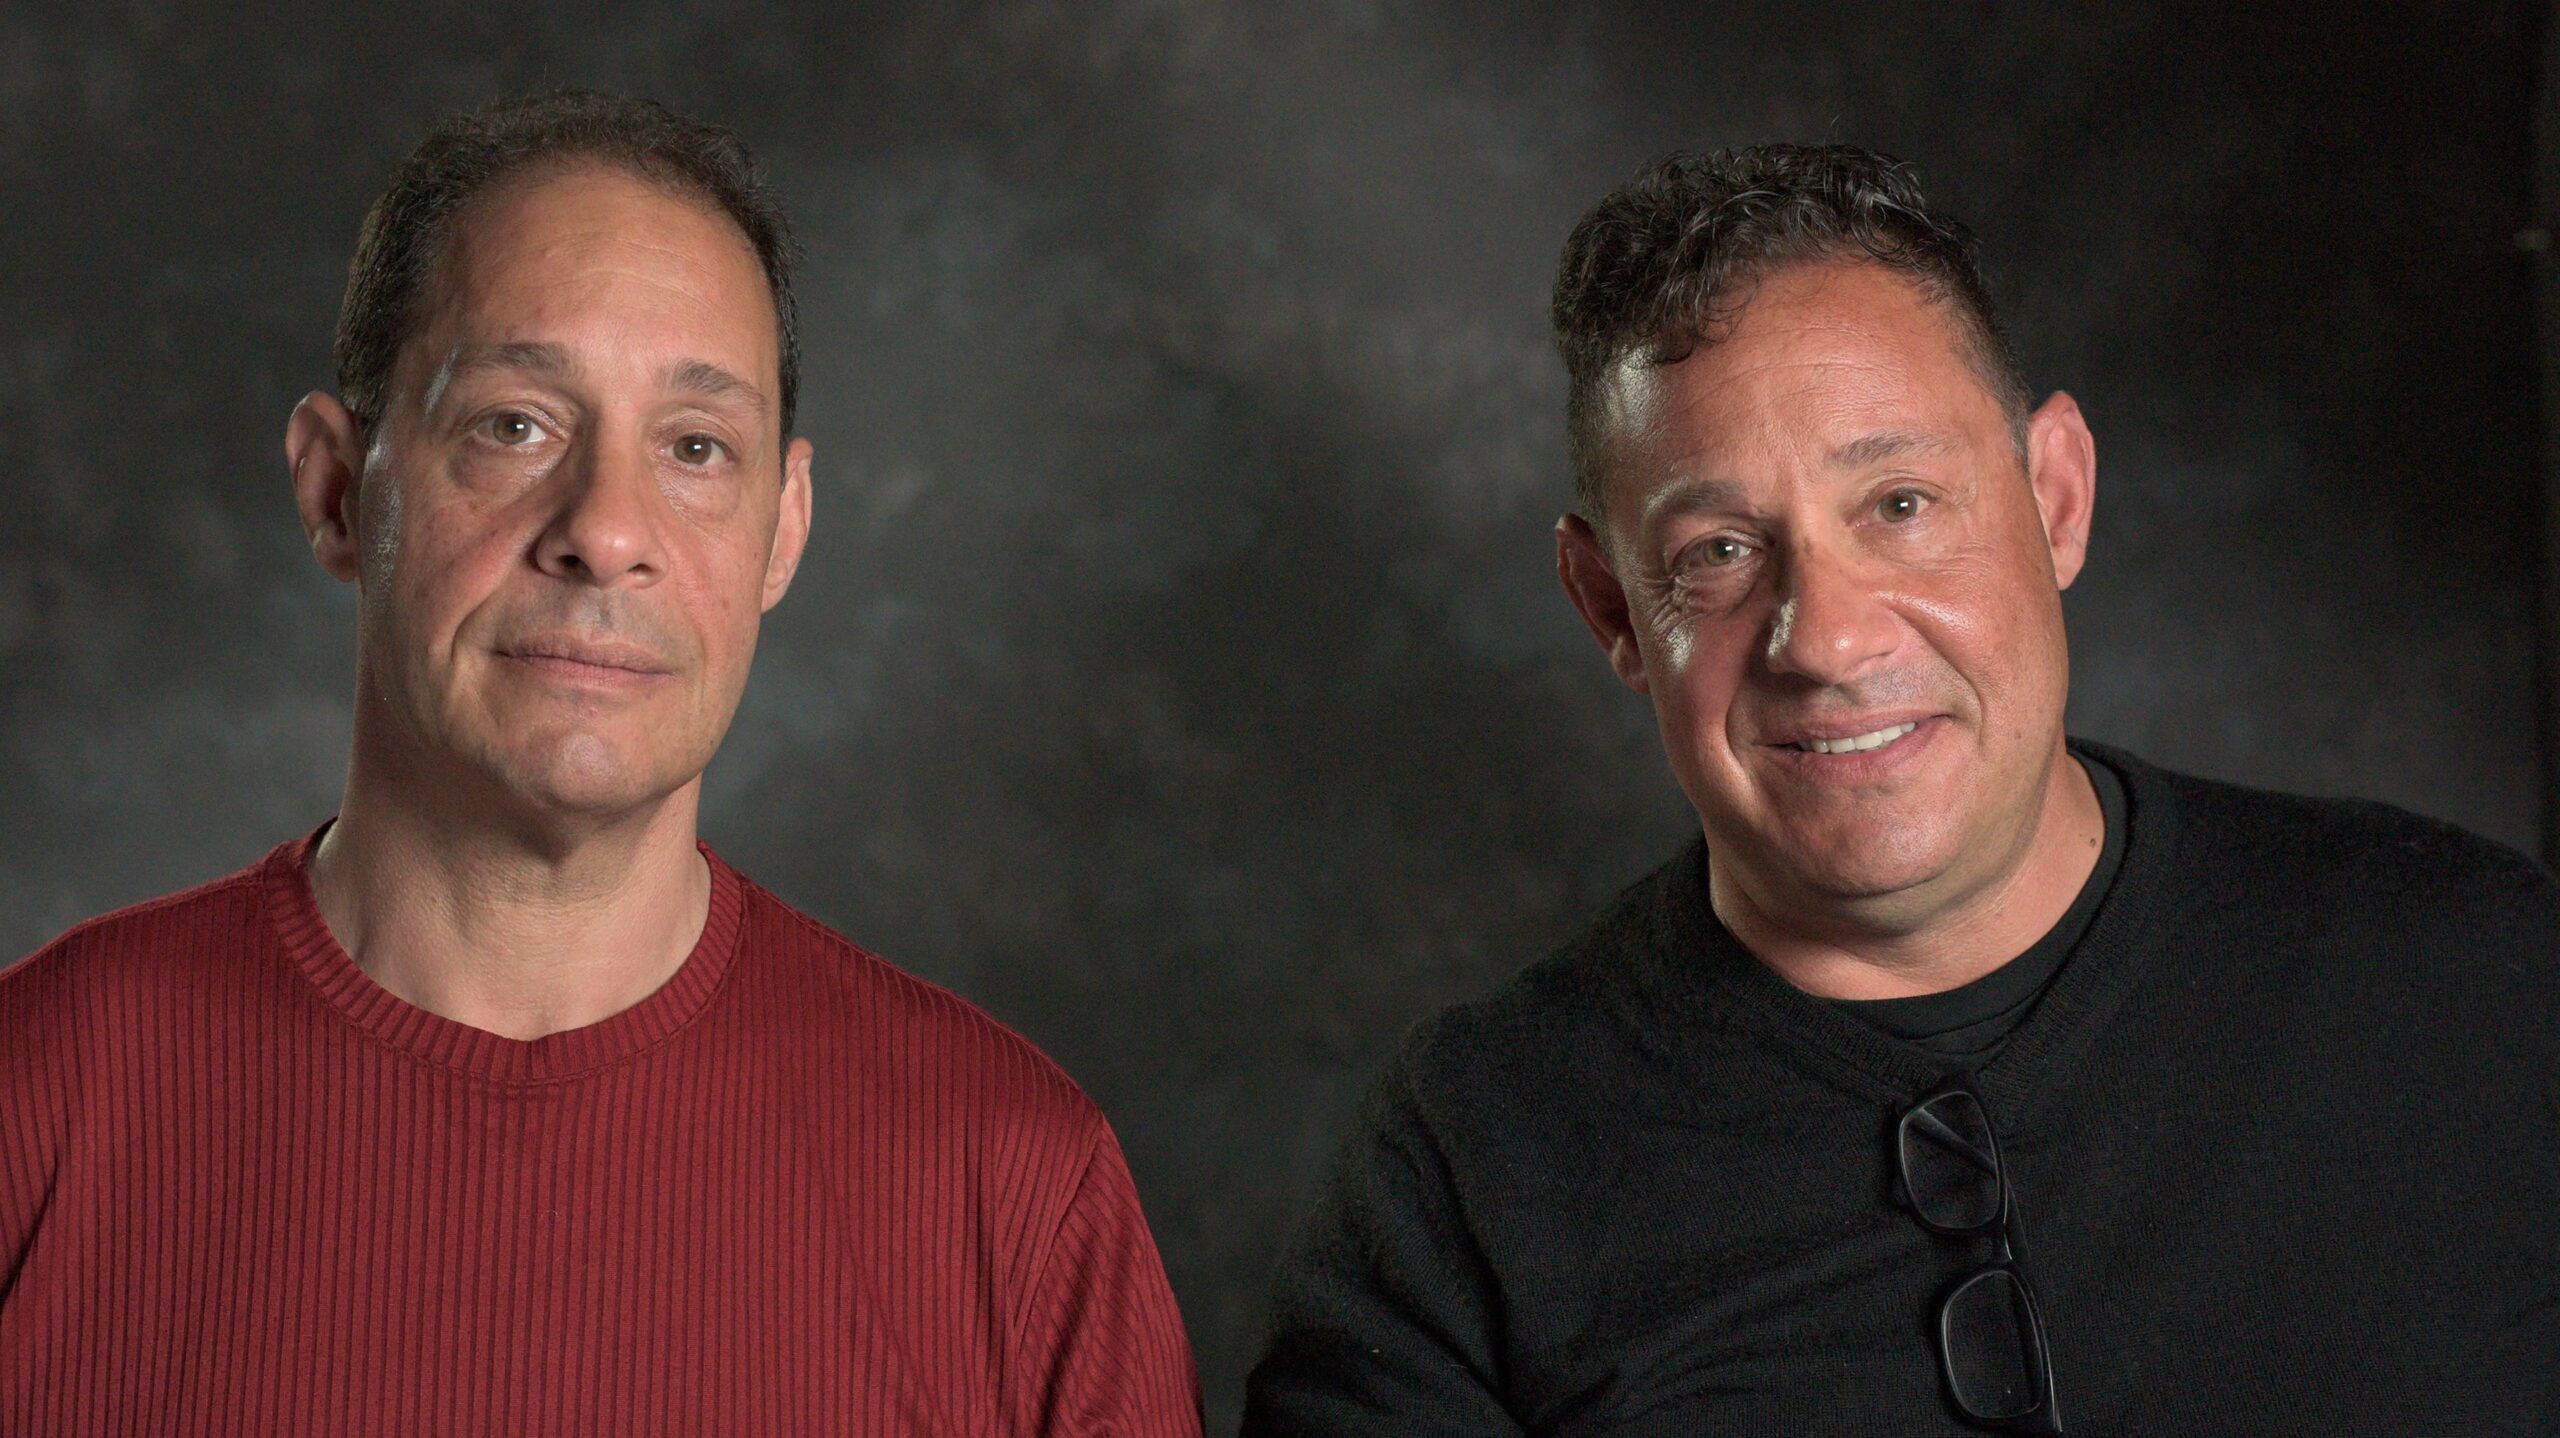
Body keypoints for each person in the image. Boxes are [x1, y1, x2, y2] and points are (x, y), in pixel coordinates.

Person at [1243, 144, 2560, 1435]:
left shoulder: (2477, 972)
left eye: (1902, 504)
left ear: (2057, 497)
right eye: (1719, 550)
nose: (1824, 639)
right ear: (1611, 608)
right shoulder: (1471, 1167)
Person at [0, 89, 1200, 1436]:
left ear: (783, 529)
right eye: (514, 424)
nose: (608, 530)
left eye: (695, 448)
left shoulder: (1018, 1191)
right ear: (338, 489)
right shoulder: (33, 1105)